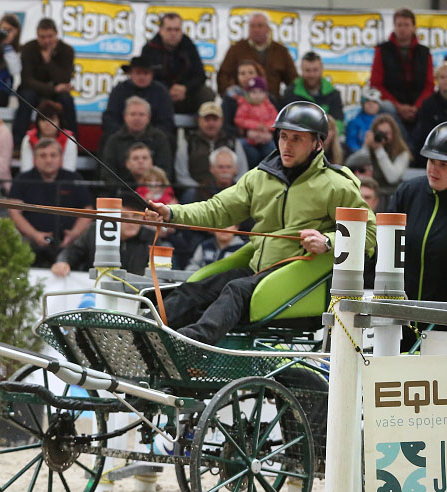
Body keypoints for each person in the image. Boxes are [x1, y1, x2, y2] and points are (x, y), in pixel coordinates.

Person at [143, 102, 376, 345]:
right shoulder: (259, 177)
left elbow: (369, 233)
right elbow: (218, 209)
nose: (286, 145)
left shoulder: (336, 184)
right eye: (283, 136)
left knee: (235, 290)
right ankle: (142, 332)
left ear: (318, 143)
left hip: (297, 275)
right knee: (194, 290)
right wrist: (171, 212)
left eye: (297, 139)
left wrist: (328, 241)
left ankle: (188, 344)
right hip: (258, 269)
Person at [389, 122, 447, 310]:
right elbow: (383, 247)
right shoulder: (408, 192)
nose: (434, 170)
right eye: (431, 161)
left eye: (444, 164)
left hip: (446, 324)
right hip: (401, 318)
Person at [8, 138, 92, 267]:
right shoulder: (22, 179)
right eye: (43, 155)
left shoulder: (74, 178)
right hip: (30, 241)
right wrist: (34, 235)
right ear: (35, 159)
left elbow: (88, 211)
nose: (48, 160)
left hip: (70, 242)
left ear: (60, 158)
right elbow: (14, 211)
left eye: (53, 155)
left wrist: (75, 234)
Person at [12, 18, 75, 144]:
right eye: (42, 37)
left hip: (55, 93)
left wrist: (49, 62)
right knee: (26, 97)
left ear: (56, 34)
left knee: (67, 100)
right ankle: (18, 142)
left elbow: (64, 78)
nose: (46, 41)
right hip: (35, 91)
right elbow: (27, 80)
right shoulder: (28, 48)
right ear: (37, 35)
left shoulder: (67, 50)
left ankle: (72, 141)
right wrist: (53, 88)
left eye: (50, 36)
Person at [372, 9, 433, 137]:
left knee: (430, 106)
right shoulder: (382, 50)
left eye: (406, 25)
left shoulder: (424, 52)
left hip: (417, 105)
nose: (402, 29)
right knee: (385, 107)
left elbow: (429, 85)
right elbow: (376, 85)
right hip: (393, 105)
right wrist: (398, 107)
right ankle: (408, 148)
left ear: (414, 27)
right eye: (399, 25)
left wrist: (416, 107)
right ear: (394, 27)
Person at [141, 13, 216, 115]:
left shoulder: (189, 47)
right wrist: (167, 89)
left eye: (177, 30)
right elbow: (146, 78)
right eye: (169, 29)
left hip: (186, 93)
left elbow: (200, 75)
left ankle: (201, 128)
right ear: (161, 30)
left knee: (207, 93)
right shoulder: (149, 49)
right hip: (159, 93)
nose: (173, 33)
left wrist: (185, 88)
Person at [51, 205, 154, 277]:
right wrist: (62, 262)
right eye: (124, 216)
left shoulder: (151, 237)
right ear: (114, 217)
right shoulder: (95, 230)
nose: (131, 222)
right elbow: (73, 251)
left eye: (136, 216)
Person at [216, 12, 297, 102]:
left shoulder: (281, 51)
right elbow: (223, 75)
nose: (256, 29)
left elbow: (293, 80)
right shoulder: (236, 49)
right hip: (242, 102)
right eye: (253, 26)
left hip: (273, 103)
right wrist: (230, 94)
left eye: (260, 26)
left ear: (268, 28)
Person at [175, 101, 247, 197]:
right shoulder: (188, 142)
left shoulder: (232, 142)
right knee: (189, 195)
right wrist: (200, 189)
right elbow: (181, 174)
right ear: (199, 120)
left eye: (215, 119)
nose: (211, 123)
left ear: (221, 121)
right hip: (198, 191)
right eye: (207, 119)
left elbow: (242, 173)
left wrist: (230, 190)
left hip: (229, 191)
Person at [100, 96, 173, 191]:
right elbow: (107, 173)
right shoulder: (114, 140)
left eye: (141, 114)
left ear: (149, 117)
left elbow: (165, 172)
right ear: (125, 117)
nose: (137, 118)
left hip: (154, 192)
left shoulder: (160, 138)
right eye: (133, 114)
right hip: (121, 192)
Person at [102, 55, 175, 143]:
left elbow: (166, 121)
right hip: (122, 139)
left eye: (145, 73)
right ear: (130, 73)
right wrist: (123, 135)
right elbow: (110, 118)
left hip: (153, 140)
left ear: (152, 75)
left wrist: (150, 136)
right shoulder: (119, 90)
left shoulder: (161, 92)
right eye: (138, 73)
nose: (142, 77)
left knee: (168, 140)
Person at [281, 52, 344, 131]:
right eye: (307, 70)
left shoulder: (333, 94)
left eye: (315, 70)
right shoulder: (290, 93)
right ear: (301, 70)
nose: (311, 75)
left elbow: (339, 124)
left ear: (321, 70)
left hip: (324, 139)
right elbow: (284, 123)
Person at [346, 114, 412, 189]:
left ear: (394, 134)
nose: (383, 136)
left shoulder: (402, 153)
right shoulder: (370, 148)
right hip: (370, 192)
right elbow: (349, 164)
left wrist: (379, 150)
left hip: (391, 194)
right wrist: (366, 146)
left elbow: (392, 178)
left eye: (386, 133)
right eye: (379, 133)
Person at [19, 100, 78, 172]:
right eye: (43, 120)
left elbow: (69, 172)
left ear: (60, 122)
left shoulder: (69, 139)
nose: (48, 124)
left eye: (52, 119)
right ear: (38, 122)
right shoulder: (28, 138)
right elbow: (26, 171)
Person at [235, 76, 278, 168]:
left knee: (272, 151)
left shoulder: (269, 106)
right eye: (253, 92)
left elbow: (276, 120)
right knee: (251, 154)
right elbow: (239, 119)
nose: (257, 95)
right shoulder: (244, 105)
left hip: (266, 137)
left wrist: (266, 128)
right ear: (247, 93)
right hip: (249, 139)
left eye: (260, 92)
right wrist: (255, 126)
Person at [413, 62, 447, 155]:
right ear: (436, 80)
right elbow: (425, 132)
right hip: (434, 148)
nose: (445, 80)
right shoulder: (428, 104)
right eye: (442, 77)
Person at [220, 59, 267, 138]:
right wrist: (246, 134)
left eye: (251, 72)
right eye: (242, 73)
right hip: (239, 139)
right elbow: (226, 125)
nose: (247, 76)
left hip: (266, 137)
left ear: (258, 74)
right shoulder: (230, 98)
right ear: (237, 77)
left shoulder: (267, 98)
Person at [345, 88, 383, 154]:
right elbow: (351, 143)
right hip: (358, 155)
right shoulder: (354, 122)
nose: (371, 104)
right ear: (363, 104)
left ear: (379, 106)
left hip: (380, 155)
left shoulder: (384, 123)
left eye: (374, 102)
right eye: (368, 101)